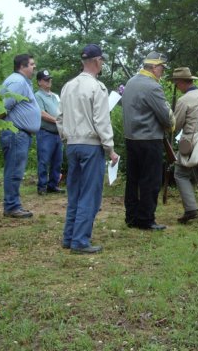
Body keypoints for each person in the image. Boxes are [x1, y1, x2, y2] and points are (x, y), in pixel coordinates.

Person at [57, 44, 119, 254]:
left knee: (74, 192)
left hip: (72, 144)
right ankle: (80, 241)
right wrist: (109, 148)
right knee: (89, 194)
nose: (102, 64)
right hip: (91, 145)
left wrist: (66, 137)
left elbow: (59, 118)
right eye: (101, 60)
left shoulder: (67, 86)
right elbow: (101, 120)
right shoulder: (97, 87)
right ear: (96, 61)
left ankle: (69, 236)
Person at [122, 51, 175, 230]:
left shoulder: (130, 83)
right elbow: (166, 118)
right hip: (150, 139)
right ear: (153, 67)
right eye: (161, 67)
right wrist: (171, 124)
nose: (162, 71)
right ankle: (145, 219)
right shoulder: (153, 86)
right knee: (150, 181)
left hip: (131, 139)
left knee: (133, 180)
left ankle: (131, 217)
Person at [0, 54, 41, 218]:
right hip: (16, 133)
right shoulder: (17, 81)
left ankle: (13, 204)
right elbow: (4, 107)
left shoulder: (21, 82)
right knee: (14, 170)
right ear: (22, 67)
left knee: (16, 170)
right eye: (31, 64)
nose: (34, 67)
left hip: (20, 133)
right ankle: (11, 206)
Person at [171, 67, 198, 223]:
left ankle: (190, 209)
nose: (177, 86)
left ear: (182, 82)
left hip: (190, 143)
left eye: (177, 83)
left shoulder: (184, 100)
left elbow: (176, 125)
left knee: (180, 174)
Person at [35, 70, 64, 195]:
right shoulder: (38, 96)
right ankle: (42, 186)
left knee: (57, 160)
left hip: (57, 133)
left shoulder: (55, 96)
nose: (49, 81)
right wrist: (57, 121)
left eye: (50, 79)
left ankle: (53, 184)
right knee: (44, 160)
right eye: (46, 79)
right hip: (45, 132)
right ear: (39, 82)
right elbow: (41, 113)